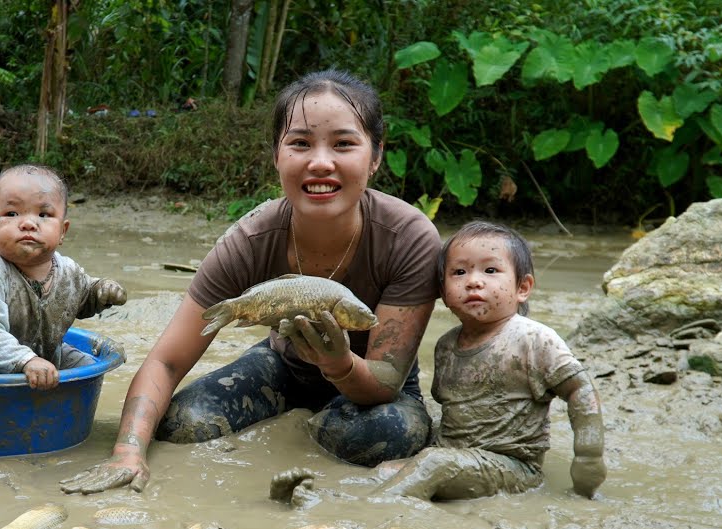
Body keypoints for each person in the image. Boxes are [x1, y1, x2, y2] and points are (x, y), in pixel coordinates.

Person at [62, 69, 442, 495]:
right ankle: (300, 428)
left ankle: (312, 437)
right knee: (181, 423)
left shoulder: (410, 237)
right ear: (276, 156)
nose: (320, 161)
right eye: (300, 143)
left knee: (390, 434)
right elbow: (166, 362)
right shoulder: (250, 238)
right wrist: (127, 453)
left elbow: (387, 378)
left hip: (373, 383)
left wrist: (339, 366)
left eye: (344, 144)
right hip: (285, 366)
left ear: (375, 157)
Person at [372, 220, 606, 501]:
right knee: (384, 470)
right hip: (456, 457)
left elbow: (580, 389)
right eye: (459, 272)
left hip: (513, 466)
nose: (473, 281)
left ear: (523, 287)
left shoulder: (533, 339)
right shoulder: (446, 346)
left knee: (431, 465)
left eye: (490, 270)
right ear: (444, 294)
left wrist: (588, 456)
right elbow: (453, 412)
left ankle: (371, 511)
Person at [0, 164, 126, 389]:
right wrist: (26, 360)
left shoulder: (68, 272)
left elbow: (83, 298)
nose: (28, 223)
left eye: (44, 214)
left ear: (63, 231)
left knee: (86, 368)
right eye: (12, 214)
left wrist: (102, 291)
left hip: (46, 356)